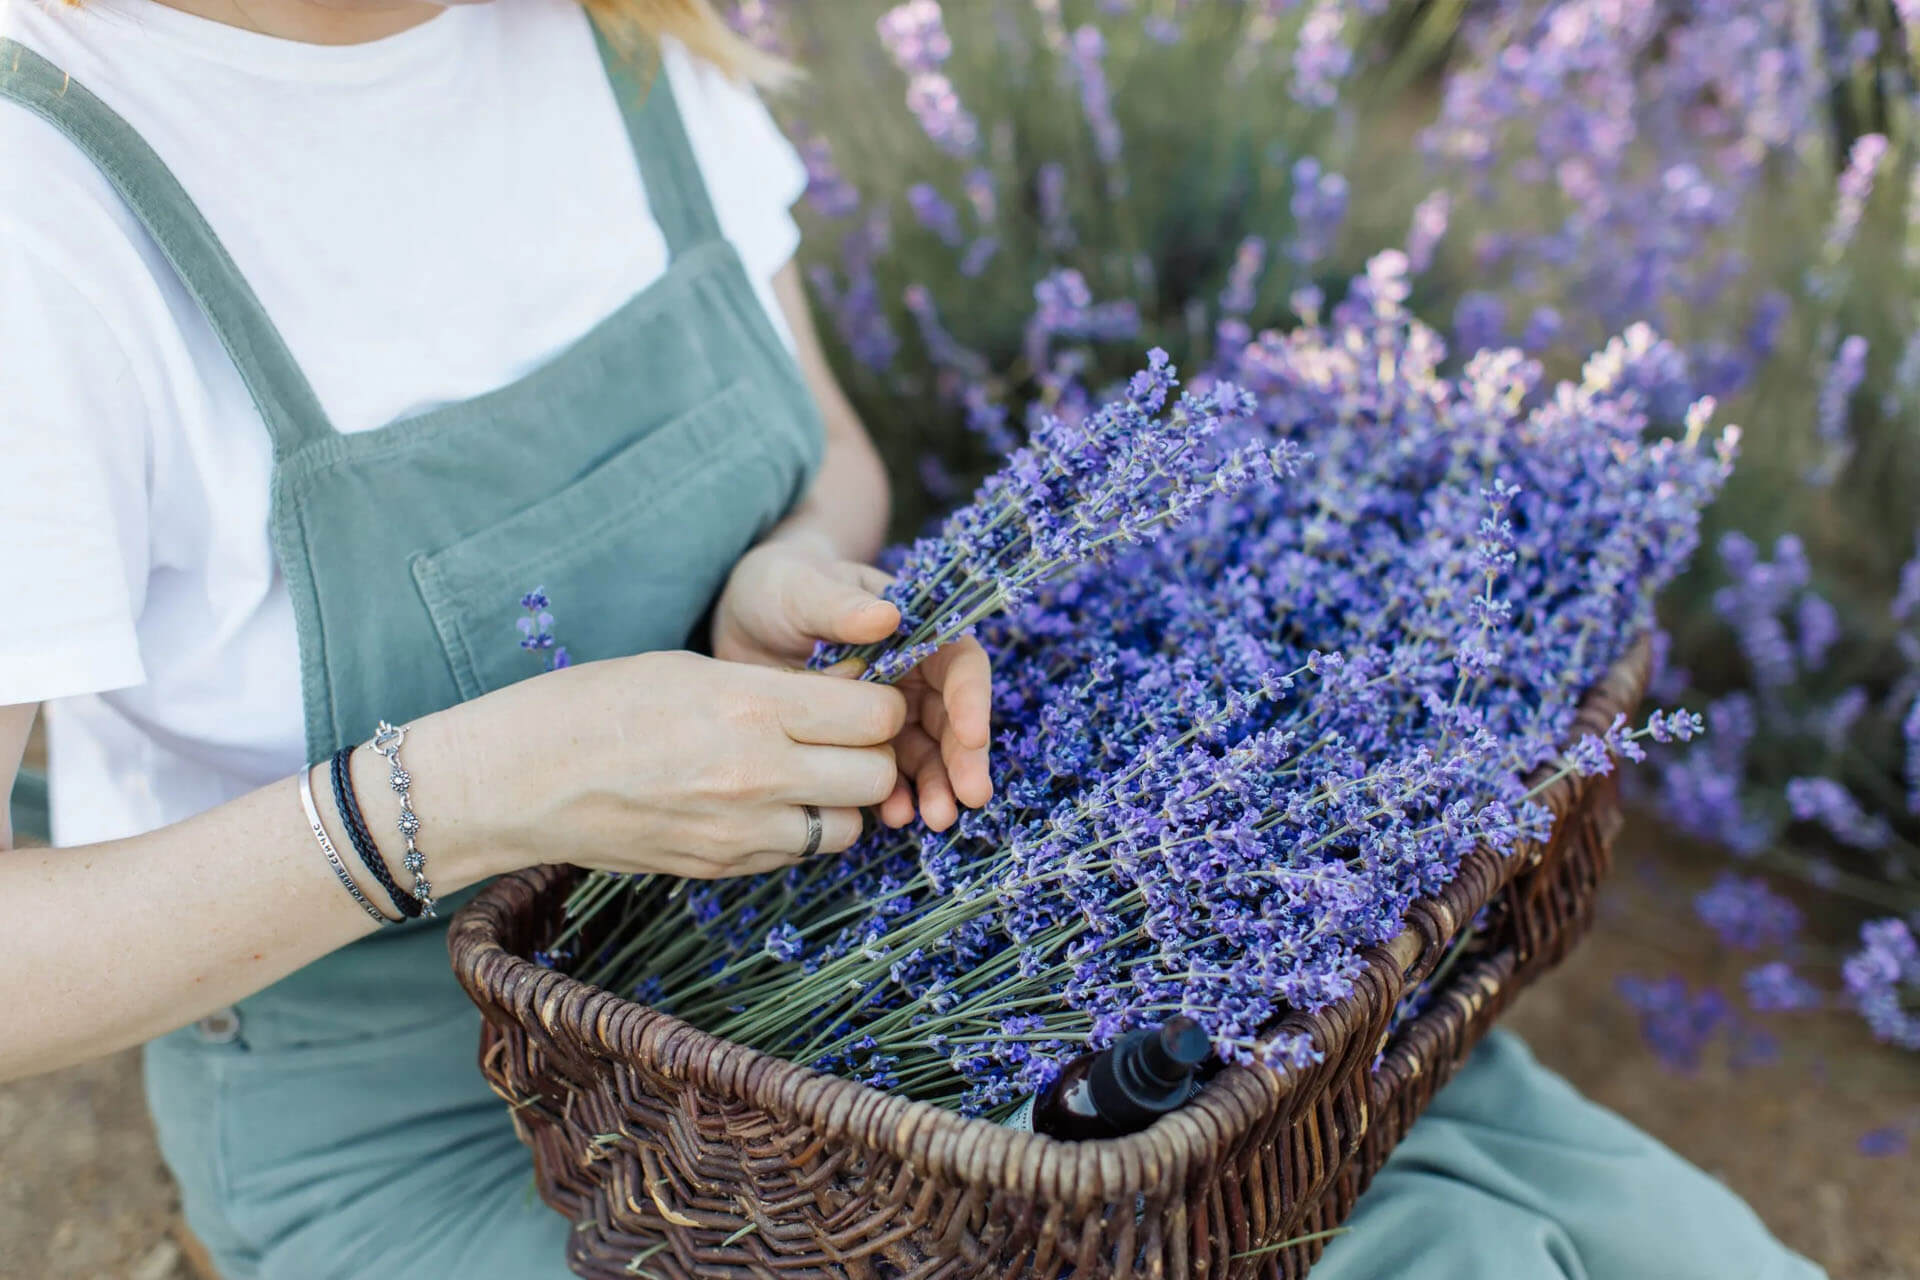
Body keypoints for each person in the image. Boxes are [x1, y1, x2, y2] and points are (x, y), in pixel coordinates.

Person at [0, 0, 1828, 1276]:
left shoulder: (615, 31)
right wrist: (470, 795)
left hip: (882, 997)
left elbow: (830, 455)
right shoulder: (51, 200)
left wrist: (792, 585)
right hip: (443, 1122)